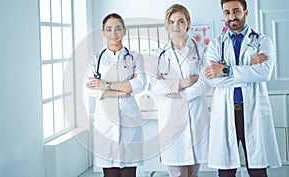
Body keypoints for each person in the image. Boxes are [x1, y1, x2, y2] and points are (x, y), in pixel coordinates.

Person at [204, 0, 282, 177]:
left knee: (257, 171)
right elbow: (215, 81)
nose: (232, 17)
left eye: (236, 11)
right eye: (227, 12)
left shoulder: (263, 41)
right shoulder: (216, 45)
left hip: (253, 111)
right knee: (225, 172)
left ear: (246, 12)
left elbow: (263, 74)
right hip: (226, 112)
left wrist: (226, 69)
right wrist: (249, 67)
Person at [150, 4, 211, 177]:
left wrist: (178, 93)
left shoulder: (202, 51)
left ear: (188, 23)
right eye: (172, 22)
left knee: (193, 171)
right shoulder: (159, 54)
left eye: (180, 21)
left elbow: (206, 82)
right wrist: (184, 82)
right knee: (176, 171)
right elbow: (155, 85)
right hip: (172, 119)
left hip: (195, 116)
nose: (176, 26)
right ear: (167, 25)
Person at [85, 13, 146, 177]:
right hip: (105, 123)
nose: (114, 33)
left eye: (118, 28)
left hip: (129, 122)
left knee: (129, 173)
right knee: (110, 173)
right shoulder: (96, 59)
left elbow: (139, 85)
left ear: (124, 31)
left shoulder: (135, 57)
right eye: (109, 29)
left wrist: (104, 86)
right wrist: (125, 89)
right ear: (103, 32)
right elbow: (91, 90)